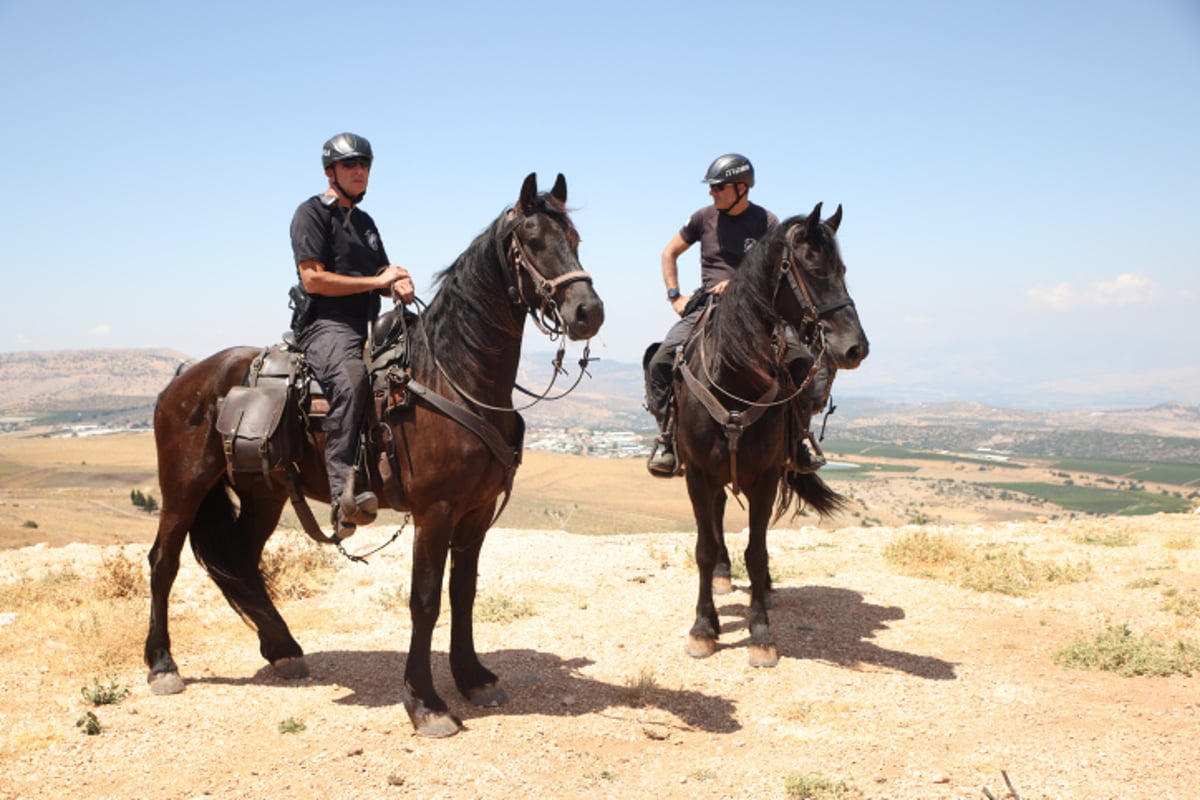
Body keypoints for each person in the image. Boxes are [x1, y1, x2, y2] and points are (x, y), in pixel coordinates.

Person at [644, 153, 824, 477]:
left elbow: (777, 272)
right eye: (711, 187)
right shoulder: (702, 218)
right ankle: (669, 439)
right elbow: (669, 252)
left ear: (741, 188)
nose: (712, 193)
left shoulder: (767, 223)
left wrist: (739, 284)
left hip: (757, 313)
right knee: (660, 361)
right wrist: (674, 296)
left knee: (801, 361)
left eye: (718, 187)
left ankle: (799, 440)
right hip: (708, 308)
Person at [290, 132, 415, 538]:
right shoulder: (311, 214)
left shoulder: (365, 223)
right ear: (331, 172)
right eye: (350, 165)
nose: (359, 171)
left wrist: (395, 285)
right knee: (352, 381)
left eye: (364, 165)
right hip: (326, 325)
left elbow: (379, 278)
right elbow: (313, 280)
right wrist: (375, 281)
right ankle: (343, 493)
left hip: (368, 325)